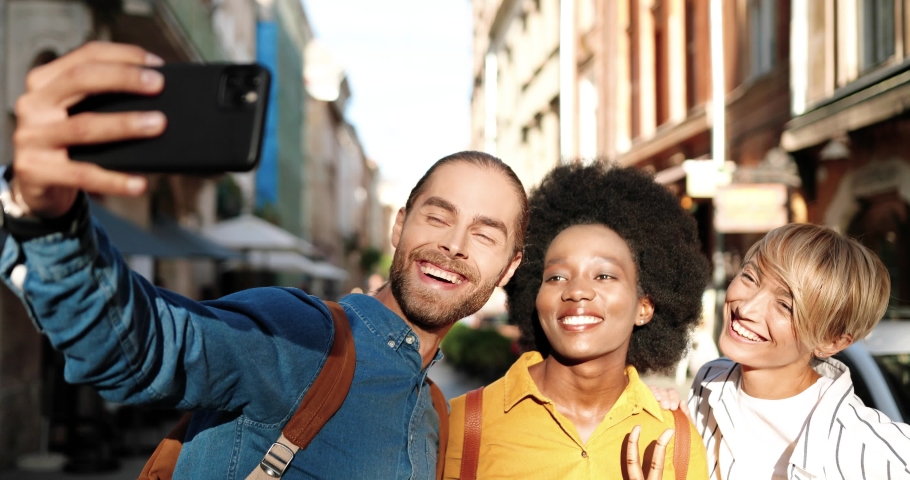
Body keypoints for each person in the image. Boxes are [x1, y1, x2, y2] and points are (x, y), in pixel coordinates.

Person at [3, 42, 528, 478]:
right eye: (437, 218)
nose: (454, 244)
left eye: (484, 235)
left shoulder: (433, 411)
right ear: (399, 225)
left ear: (507, 269)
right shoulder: (301, 335)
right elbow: (142, 346)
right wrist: (43, 216)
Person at [443, 163, 711, 479]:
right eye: (556, 276)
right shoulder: (464, 425)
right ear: (534, 294)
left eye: (604, 275)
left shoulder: (676, 439)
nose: (578, 291)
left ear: (644, 306)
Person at [686, 223, 910, 479]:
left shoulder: (880, 454)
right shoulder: (708, 383)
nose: (746, 309)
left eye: (785, 306)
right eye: (749, 277)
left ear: (832, 342)